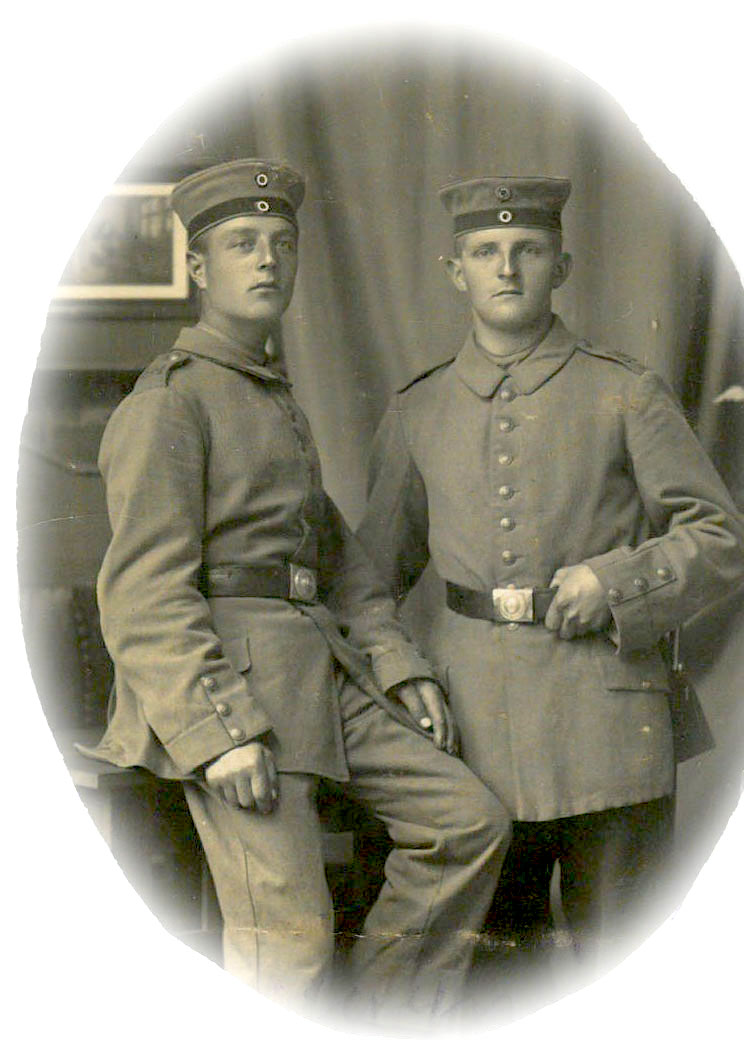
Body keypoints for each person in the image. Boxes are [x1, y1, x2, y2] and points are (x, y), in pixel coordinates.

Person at [78, 159, 510, 1026]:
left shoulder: (269, 396)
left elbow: (339, 565)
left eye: (281, 241)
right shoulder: (171, 403)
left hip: (321, 674)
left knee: (467, 822)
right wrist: (220, 733)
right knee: (291, 947)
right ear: (199, 268)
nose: (268, 258)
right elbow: (142, 596)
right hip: (237, 692)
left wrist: (399, 666)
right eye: (243, 243)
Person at [357, 176, 744, 979]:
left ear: (562, 267)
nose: (507, 268)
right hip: (475, 739)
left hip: (612, 731)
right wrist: (401, 670)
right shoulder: (419, 409)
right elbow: (364, 583)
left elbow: (722, 539)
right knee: (501, 984)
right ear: (455, 271)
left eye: (528, 250)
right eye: (485, 252)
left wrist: (617, 582)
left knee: (629, 970)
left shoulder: (624, 391)